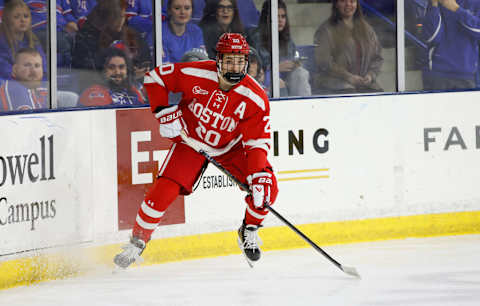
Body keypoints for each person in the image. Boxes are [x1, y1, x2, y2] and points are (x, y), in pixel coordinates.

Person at [114, 33, 278, 269]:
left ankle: (249, 230)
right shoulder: (197, 72)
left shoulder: (256, 98)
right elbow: (155, 79)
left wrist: (259, 173)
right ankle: (138, 240)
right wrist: (162, 110)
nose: (235, 66)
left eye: (240, 61)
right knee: (163, 191)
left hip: (230, 149)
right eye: (229, 60)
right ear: (218, 59)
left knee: (266, 188)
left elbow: (256, 143)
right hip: (190, 141)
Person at [72, 0, 151, 90]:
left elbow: (145, 58)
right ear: (107, 16)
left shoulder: (130, 34)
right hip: (99, 91)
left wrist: (142, 68)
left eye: (123, 15)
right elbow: (89, 73)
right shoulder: (87, 37)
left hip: (130, 89)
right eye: (118, 16)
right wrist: (130, 75)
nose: (122, 19)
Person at [313, 0, 384, 94]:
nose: (348, 4)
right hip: (335, 85)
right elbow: (324, 62)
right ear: (336, 4)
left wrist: (370, 75)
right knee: (350, 92)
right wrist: (348, 77)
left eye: (352, 1)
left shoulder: (367, 29)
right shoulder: (325, 30)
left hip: (363, 84)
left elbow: (377, 58)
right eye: (343, 1)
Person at [250, 0, 311, 97]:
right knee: (278, 82)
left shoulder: (287, 39)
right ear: (267, 18)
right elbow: (254, 71)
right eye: (276, 16)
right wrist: (275, 68)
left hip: (286, 78)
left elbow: (291, 60)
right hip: (264, 81)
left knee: (301, 73)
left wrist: (294, 64)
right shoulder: (256, 38)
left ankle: (305, 107)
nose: (280, 20)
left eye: (283, 16)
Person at [421, 0, 480, 90]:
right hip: (437, 73)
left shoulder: (476, 3)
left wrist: (456, 9)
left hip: (466, 74)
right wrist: (434, 5)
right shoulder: (435, 4)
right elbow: (431, 37)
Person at [78, 47, 146, 106]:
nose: (117, 72)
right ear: (102, 70)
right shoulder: (94, 93)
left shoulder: (133, 91)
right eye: (111, 67)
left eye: (121, 67)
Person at [0, 0, 47, 80]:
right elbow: (6, 72)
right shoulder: (2, 42)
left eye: (26, 16)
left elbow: (44, 69)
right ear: (7, 20)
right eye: (16, 17)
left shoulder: (33, 40)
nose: (22, 20)